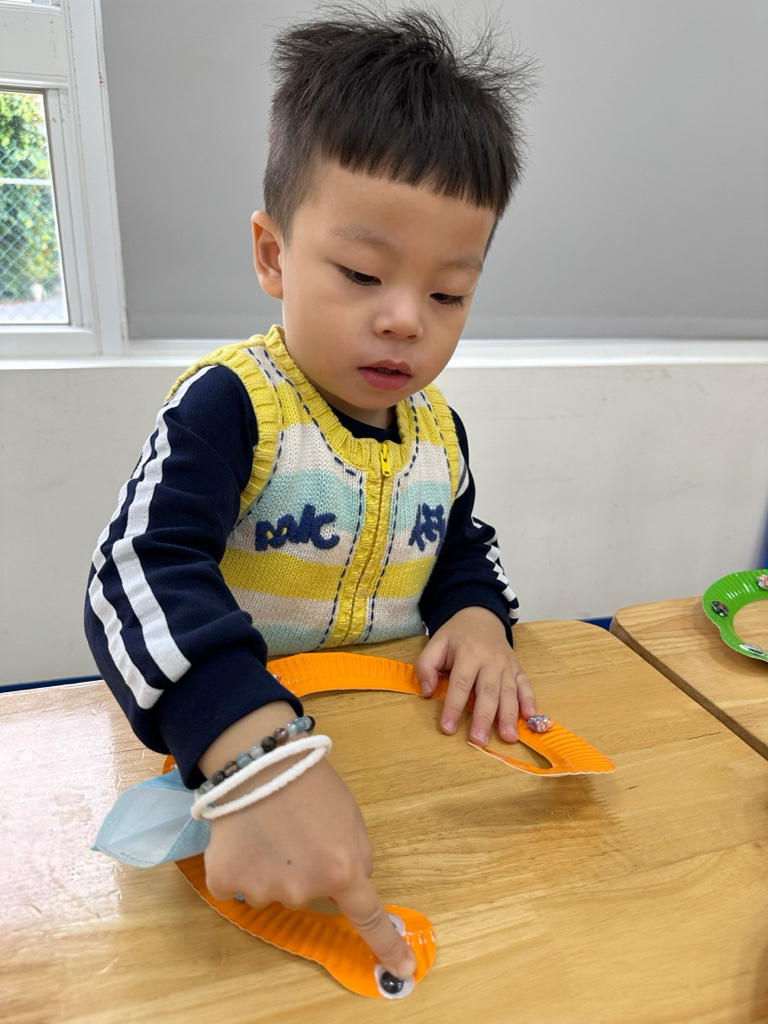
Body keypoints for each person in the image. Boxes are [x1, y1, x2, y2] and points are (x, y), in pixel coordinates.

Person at [85, 4, 537, 984]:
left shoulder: (438, 432)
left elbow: (462, 546)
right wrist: (248, 750)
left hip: (389, 767)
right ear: (272, 255)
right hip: (233, 765)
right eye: (363, 273)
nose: (406, 319)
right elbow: (134, 573)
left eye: (449, 293)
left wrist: (478, 615)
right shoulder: (232, 406)